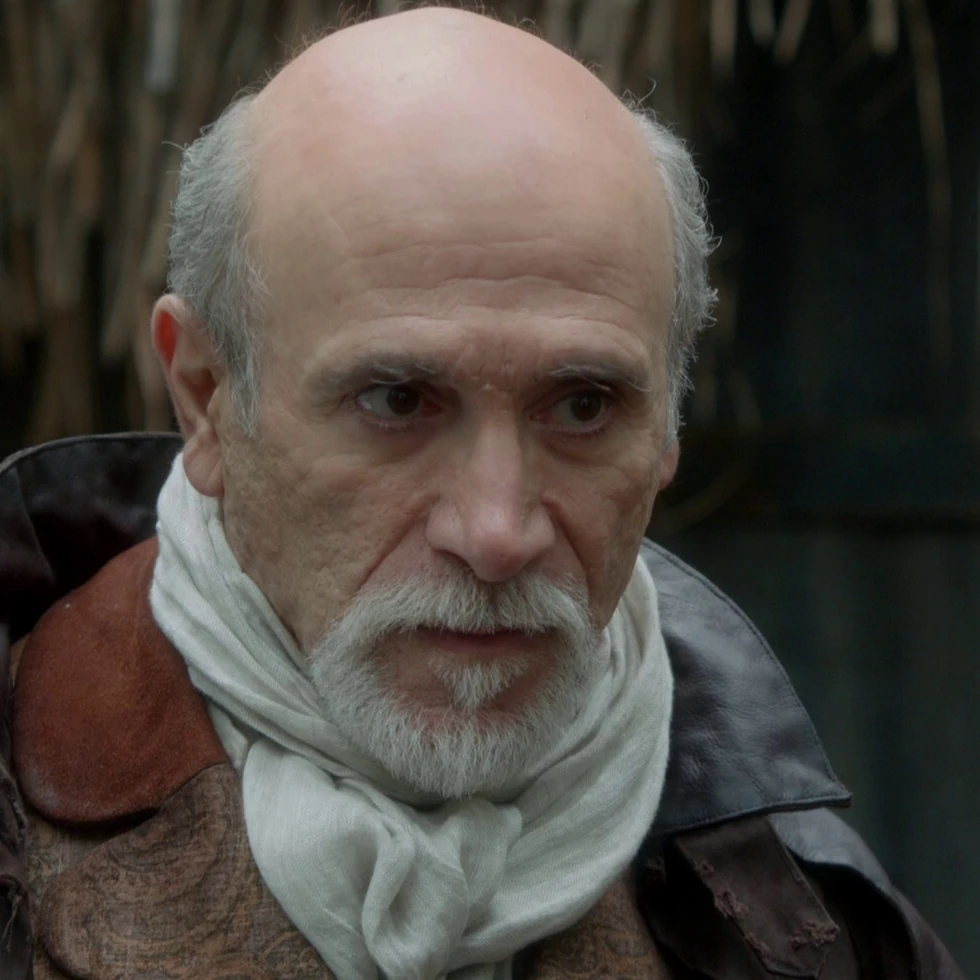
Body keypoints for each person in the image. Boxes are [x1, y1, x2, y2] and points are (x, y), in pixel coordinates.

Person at [0, 6, 964, 979]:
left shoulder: (809, 913)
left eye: (582, 406)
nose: (496, 534)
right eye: (396, 400)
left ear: (666, 429)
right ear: (207, 399)